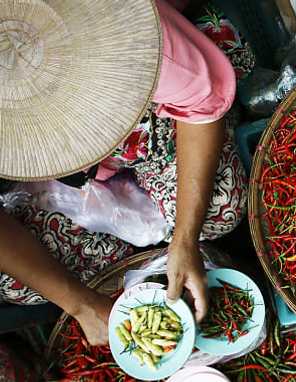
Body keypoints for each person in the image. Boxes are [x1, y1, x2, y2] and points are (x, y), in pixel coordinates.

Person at [0, 0, 255, 346]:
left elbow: (199, 103)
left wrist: (185, 238)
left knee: (220, 207)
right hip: (55, 178)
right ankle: (147, 264)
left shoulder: (123, 29)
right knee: (16, 284)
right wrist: (80, 304)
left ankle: (169, 251)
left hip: (146, 119)